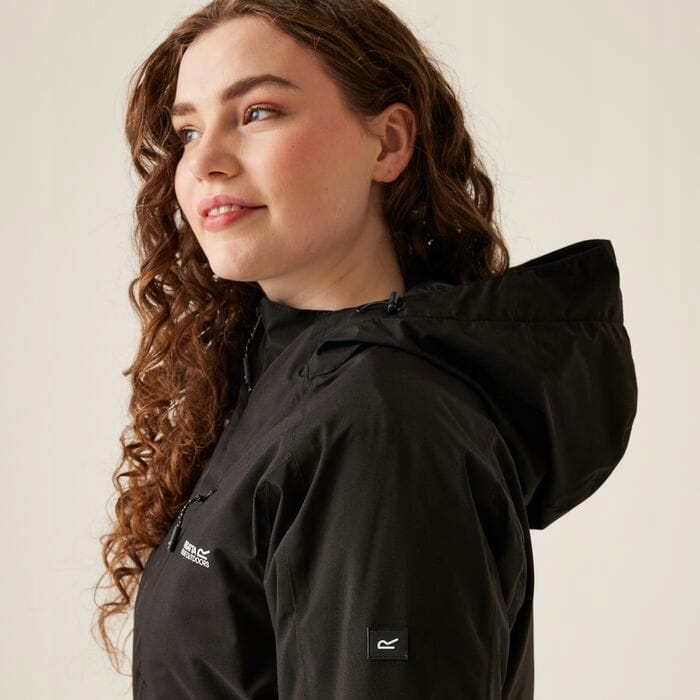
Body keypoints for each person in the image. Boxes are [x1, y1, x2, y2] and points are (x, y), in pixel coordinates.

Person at [92, 1, 638, 698]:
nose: (204, 162)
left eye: (257, 112)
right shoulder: (283, 382)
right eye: (189, 131)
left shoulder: (379, 422)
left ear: (387, 143)